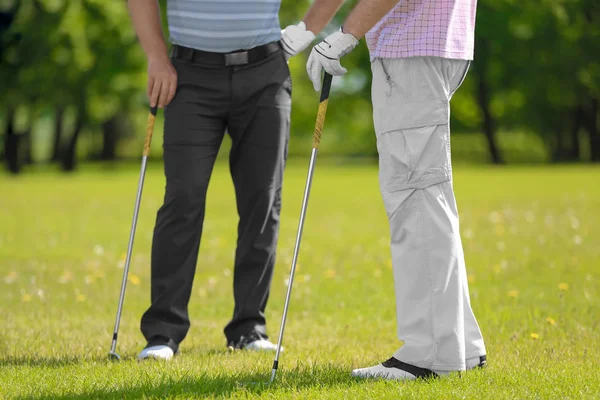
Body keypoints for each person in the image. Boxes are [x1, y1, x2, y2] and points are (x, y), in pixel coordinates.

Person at [290, 0, 488, 379]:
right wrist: (308, 28)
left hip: (410, 49)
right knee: (431, 199)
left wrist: (346, 35)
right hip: (434, 48)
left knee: (416, 202)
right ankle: (461, 347)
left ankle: (429, 356)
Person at [127, 0, 316, 360]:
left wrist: (305, 31)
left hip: (265, 75)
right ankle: (163, 334)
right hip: (189, 76)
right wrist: (156, 56)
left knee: (262, 200)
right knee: (183, 198)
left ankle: (248, 328)